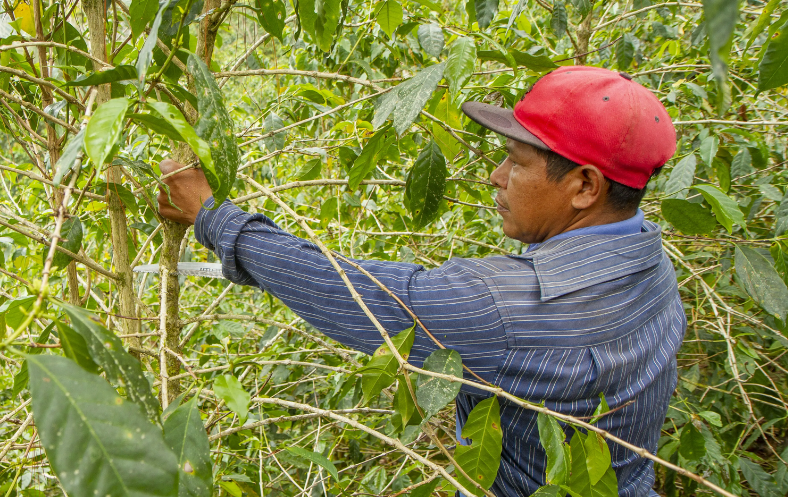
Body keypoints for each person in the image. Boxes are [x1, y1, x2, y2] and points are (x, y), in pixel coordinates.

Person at [157, 66, 683, 497]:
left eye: (516, 162)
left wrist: (212, 215)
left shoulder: (501, 306)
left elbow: (350, 290)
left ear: (585, 186)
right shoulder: (654, 264)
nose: (496, 176)